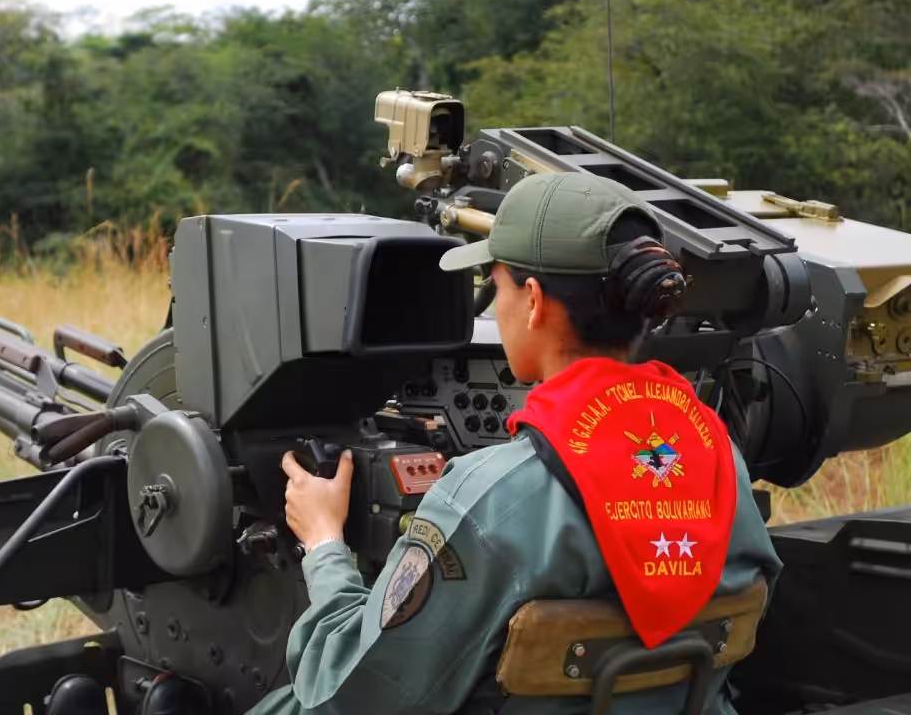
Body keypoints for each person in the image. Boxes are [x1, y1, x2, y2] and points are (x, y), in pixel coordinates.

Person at [247, 172, 783, 715]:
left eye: (495, 286)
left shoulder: (485, 498)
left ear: (532, 300)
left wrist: (323, 547)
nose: (493, 308)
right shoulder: (722, 464)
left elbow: (350, 694)